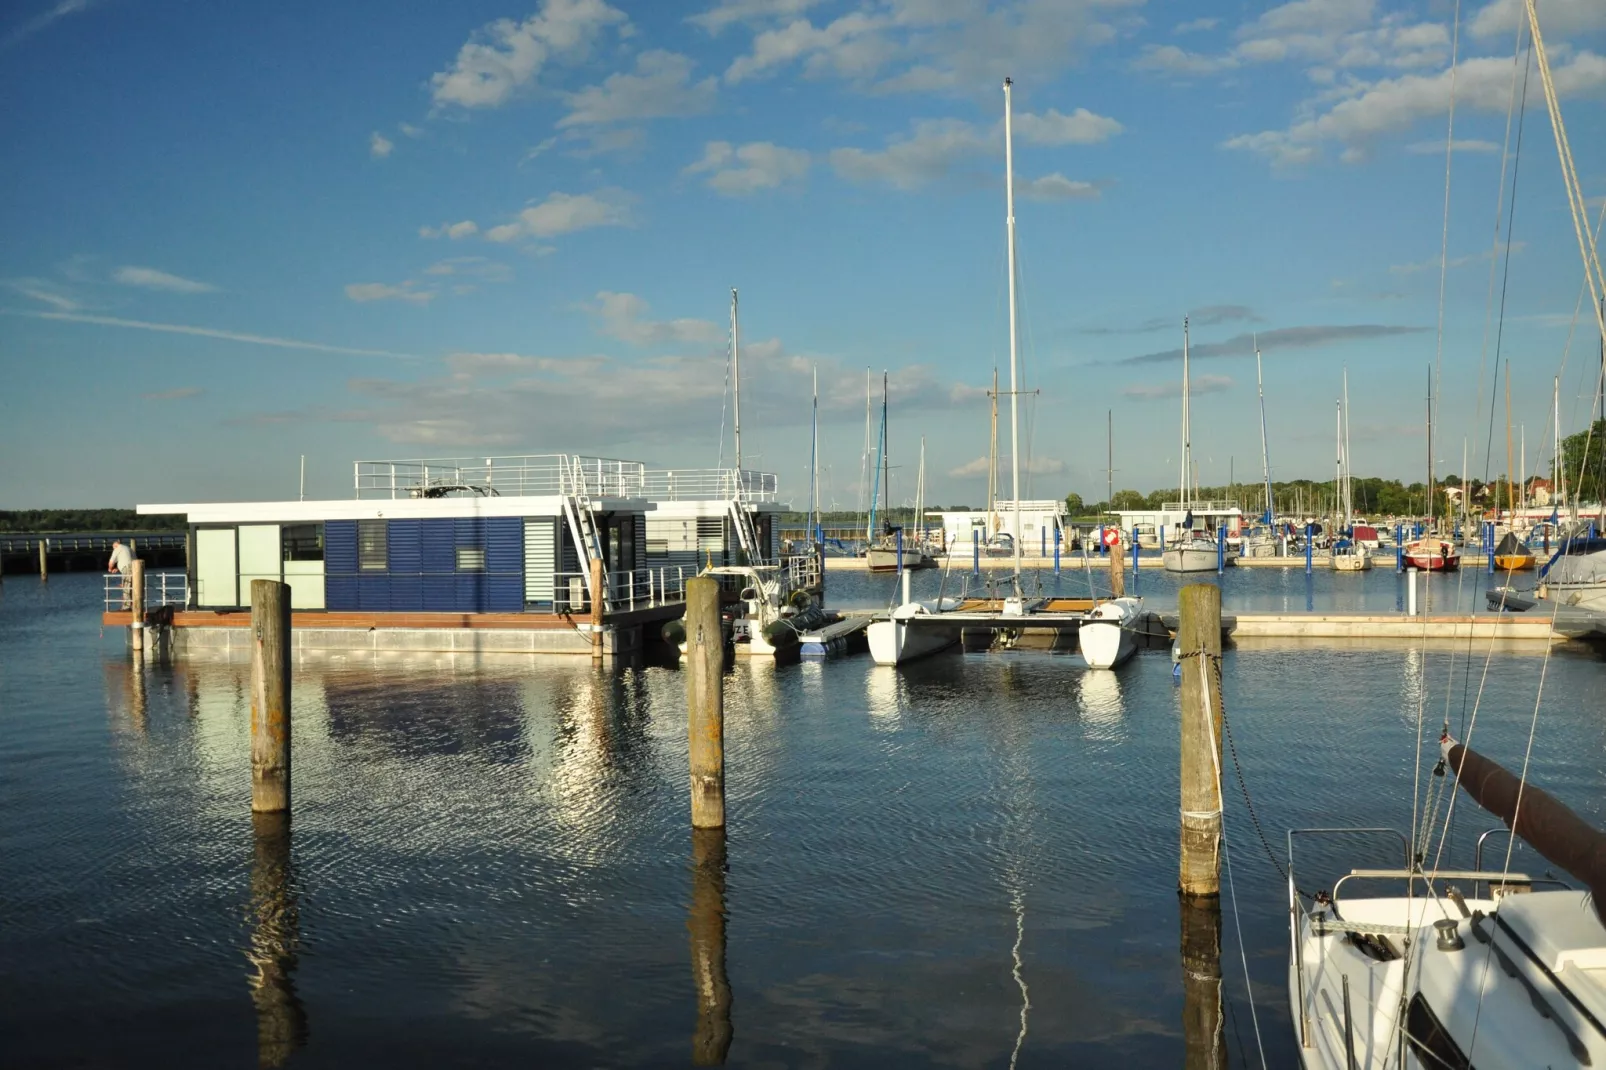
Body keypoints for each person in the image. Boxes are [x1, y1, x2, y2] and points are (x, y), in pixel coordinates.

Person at [107, 539, 134, 609]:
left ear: (115, 545)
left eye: (113, 548)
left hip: (127, 569)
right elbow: (128, 559)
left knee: (126, 587)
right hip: (135, 569)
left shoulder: (117, 549)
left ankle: (126, 607)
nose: (113, 549)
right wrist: (118, 568)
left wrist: (110, 569)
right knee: (132, 587)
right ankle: (133, 604)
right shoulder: (128, 548)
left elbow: (111, 562)